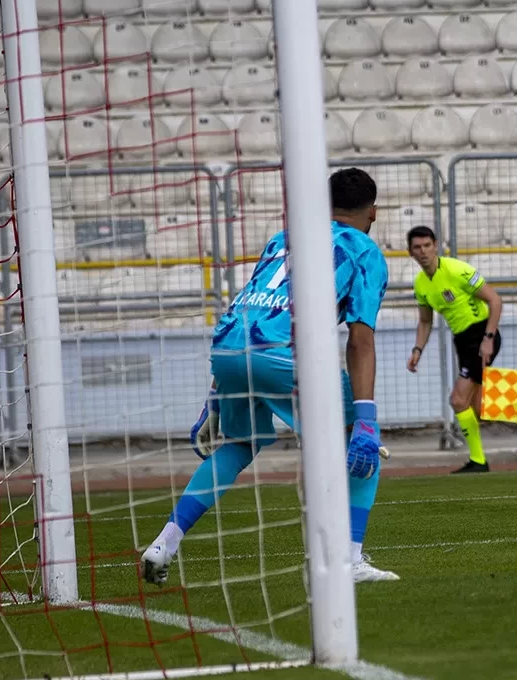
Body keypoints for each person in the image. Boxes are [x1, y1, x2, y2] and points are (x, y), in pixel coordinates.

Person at [142, 168, 399, 585]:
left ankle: (164, 543)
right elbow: (360, 341)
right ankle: (349, 560)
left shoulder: (283, 238)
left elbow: (251, 309)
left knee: (239, 444)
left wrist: (214, 397)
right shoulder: (364, 250)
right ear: (373, 212)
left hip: (227, 348)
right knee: (360, 442)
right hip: (281, 353)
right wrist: (366, 417)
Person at [405, 226, 517, 474]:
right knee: (480, 408)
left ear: (436, 246)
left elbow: (495, 300)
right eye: (417, 247)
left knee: (457, 400)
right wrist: (418, 349)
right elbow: (425, 321)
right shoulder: (420, 284)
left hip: (480, 334)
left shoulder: (457, 270)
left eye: (427, 245)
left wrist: (488, 338)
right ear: (410, 252)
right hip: (463, 340)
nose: (423, 251)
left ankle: (478, 460)